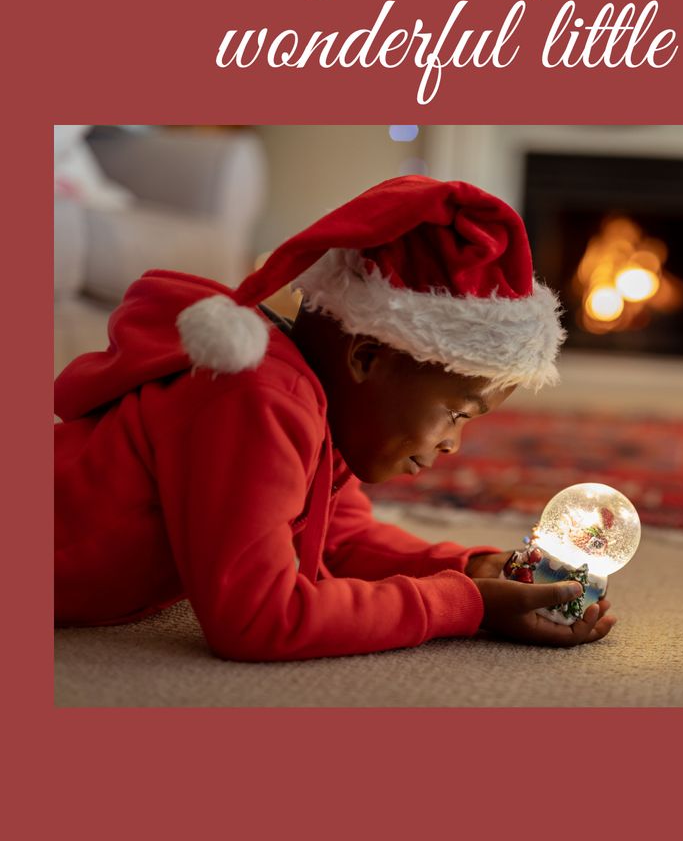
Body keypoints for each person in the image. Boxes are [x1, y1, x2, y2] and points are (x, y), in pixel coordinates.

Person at [54, 175, 616, 661]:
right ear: (367, 357)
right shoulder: (257, 396)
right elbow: (258, 620)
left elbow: (337, 543)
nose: (453, 445)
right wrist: (463, 608)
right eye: (456, 412)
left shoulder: (327, 411)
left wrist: (473, 568)